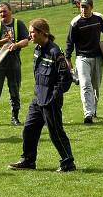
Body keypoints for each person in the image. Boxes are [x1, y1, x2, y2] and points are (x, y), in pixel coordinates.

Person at [8, 18, 75, 172]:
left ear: (42, 32)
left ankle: (68, 162)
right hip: (38, 98)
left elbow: (66, 78)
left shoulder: (55, 52)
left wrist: (54, 96)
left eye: (32, 32)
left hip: (50, 101)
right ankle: (28, 161)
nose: (29, 35)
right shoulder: (37, 49)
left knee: (55, 132)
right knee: (29, 129)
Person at [65, 0, 103, 124]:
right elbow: (69, 43)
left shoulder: (99, 18)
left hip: (98, 57)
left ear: (92, 7)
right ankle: (88, 114)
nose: (83, 9)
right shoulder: (75, 22)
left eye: (86, 7)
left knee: (96, 86)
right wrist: (68, 60)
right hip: (82, 58)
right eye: (81, 7)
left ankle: (94, 110)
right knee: (85, 85)